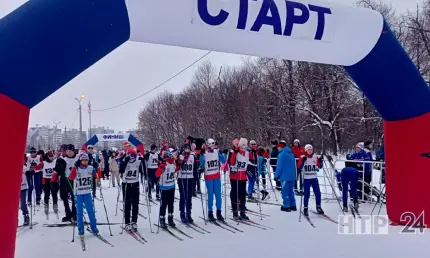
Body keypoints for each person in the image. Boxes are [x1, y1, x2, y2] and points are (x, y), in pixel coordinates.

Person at [69, 153, 101, 236]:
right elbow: (71, 178)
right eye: (83, 160)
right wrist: (74, 168)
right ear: (80, 160)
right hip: (79, 193)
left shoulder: (90, 168)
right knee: (79, 212)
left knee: (90, 211)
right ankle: (81, 229)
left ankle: (94, 227)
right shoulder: (76, 168)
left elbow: (97, 175)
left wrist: (97, 168)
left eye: (86, 160)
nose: (85, 162)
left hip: (87, 193)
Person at [200, 138, 226, 222]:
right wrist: (201, 165)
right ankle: (210, 212)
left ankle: (219, 212)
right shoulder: (204, 153)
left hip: (216, 176)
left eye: (214, 145)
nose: (214, 146)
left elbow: (224, 160)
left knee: (218, 195)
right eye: (213, 144)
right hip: (209, 176)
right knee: (210, 195)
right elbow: (200, 164)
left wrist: (223, 154)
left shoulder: (216, 152)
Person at [229, 138, 254, 220]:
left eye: (244, 147)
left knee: (242, 195)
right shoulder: (234, 152)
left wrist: (255, 152)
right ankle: (235, 212)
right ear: (239, 146)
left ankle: (242, 212)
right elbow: (231, 162)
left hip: (243, 177)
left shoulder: (247, 153)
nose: (243, 149)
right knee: (235, 194)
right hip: (234, 177)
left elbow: (253, 161)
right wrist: (235, 152)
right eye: (241, 147)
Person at [52, 144, 78, 222]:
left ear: (73, 151)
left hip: (75, 180)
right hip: (65, 179)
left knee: (74, 197)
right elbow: (56, 171)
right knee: (64, 197)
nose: (68, 152)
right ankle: (68, 214)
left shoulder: (77, 158)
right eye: (67, 151)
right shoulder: (62, 159)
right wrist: (54, 181)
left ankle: (74, 214)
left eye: (70, 151)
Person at [119, 149, 144, 232]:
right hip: (126, 184)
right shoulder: (125, 161)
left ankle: (134, 221)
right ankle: (127, 222)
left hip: (135, 183)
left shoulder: (137, 161)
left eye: (133, 156)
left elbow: (143, 171)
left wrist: (143, 162)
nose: (132, 159)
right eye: (130, 157)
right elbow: (121, 170)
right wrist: (125, 161)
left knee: (135, 203)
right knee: (127, 204)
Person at [297, 144, 324, 216]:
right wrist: (302, 161)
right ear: (306, 150)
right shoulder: (302, 157)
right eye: (308, 150)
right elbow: (299, 167)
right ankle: (305, 208)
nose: (310, 151)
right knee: (306, 194)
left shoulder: (315, 157)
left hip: (314, 178)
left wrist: (321, 161)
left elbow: (320, 166)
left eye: (311, 149)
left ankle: (318, 206)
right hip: (306, 179)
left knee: (318, 193)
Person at [156, 150, 178, 228]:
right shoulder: (165, 163)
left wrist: (179, 163)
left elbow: (176, 169)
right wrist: (161, 167)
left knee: (171, 203)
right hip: (164, 187)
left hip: (172, 186)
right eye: (173, 155)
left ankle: (170, 218)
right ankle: (162, 218)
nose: (175, 156)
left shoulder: (173, 163)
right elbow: (157, 174)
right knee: (164, 204)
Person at [274, 140, 297, 212]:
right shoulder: (291, 153)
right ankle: (293, 205)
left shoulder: (282, 154)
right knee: (291, 191)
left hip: (284, 176)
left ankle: (286, 206)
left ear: (281, 147)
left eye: (278, 147)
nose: (277, 148)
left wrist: (276, 175)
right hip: (292, 176)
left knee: (285, 192)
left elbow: (279, 166)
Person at [178, 143, 195, 223]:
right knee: (183, 196)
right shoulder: (180, 156)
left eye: (188, 148)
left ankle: (188, 213)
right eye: (186, 149)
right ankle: (182, 213)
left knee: (189, 196)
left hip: (190, 178)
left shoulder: (192, 156)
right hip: (182, 178)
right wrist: (184, 158)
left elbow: (195, 166)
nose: (187, 150)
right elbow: (179, 165)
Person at [41, 151, 59, 218]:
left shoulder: (55, 162)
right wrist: (33, 168)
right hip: (46, 179)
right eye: (50, 156)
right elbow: (37, 167)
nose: (51, 157)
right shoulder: (44, 163)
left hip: (54, 179)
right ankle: (46, 206)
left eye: (52, 156)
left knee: (54, 193)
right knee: (47, 193)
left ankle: (55, 205)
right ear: (47, 156)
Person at [21, 154, 30, 226]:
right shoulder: (11, 167)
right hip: (14, 189)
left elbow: (29, 174)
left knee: (23, 203)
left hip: (23, 187)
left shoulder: (24, 168)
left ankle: (26, 216)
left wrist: (31, 173)